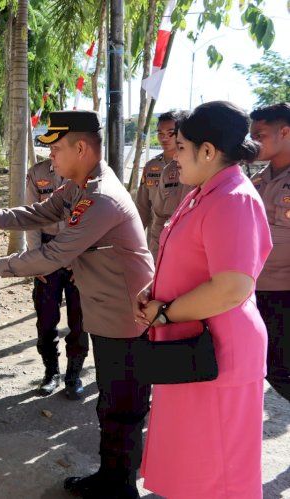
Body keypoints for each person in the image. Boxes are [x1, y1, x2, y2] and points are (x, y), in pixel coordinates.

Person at [0, 111, 154, 499]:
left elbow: (55, 254)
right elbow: (38, 213)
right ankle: (110, 477)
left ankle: (121, 487)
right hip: (106, 305)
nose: (52, 156)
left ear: (81, 148)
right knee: (111, 404)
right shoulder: (78, 186)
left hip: (126, 312)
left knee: (122, 406)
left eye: (57, 148)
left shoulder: (100, 197)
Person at [136, 101, 272, 499]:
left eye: (180, 147)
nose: (173, 157)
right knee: (192, 461)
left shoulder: (233, 198)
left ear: (208, 151)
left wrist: (165, 312)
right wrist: (155, 292)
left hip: (219, 353)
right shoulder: (204, 192)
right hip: (194, 346)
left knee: (218, 472)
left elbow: (232, 286)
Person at [25, 158, 88, 399]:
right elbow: (31, 218)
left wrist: (81, 259)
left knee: (79, 319)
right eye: (51, 146)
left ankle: (74, 375)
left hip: (79, 253)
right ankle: (51, 372)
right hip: (47, 251)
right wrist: (35, 259)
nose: (55, 151)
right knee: (46, 318)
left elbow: (95, 220)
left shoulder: (88, 173)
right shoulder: (37, 173)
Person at [249, 102, 290, 403]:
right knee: (270, 367)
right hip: (258, 290)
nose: (252, 143)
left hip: (284, 292)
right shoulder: (259, 179)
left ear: (285, 132)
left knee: (279, 369)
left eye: (259, 135)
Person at [134, 110, 193, 260]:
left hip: (182, 237)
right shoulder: (151, 166)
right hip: (156, 238)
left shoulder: (191, 166)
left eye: (170, 133)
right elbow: (142, 207)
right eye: (160, 133)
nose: (164, 138)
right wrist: (134, 240)